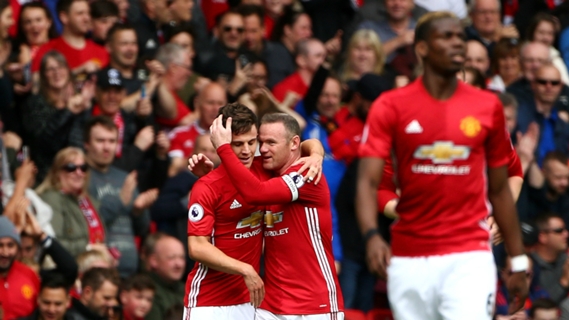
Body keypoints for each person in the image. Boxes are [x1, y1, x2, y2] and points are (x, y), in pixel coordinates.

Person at [356, 11, 527, 319]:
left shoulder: (487, 107)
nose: (457, 44)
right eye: (446, 37)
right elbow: (368, 184)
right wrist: (372, 236)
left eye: (460, 37)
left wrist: (518, 260)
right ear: (421, 48)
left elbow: (502, 187)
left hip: (469, 254)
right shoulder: (391, 106)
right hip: (410, 255)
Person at [209, 110, 344, 319]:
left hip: (314, 306)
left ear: (293, 144)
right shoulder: (267, 174)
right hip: (272, 305)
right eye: (260, 142)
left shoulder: (306, 173)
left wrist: (223, 148)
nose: (262, 149)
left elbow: (255, 193)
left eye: (271, 143)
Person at [36, 147, 106, 259]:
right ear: (57, 172)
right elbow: (53, 243)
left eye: (83, 168)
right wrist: (88, 248)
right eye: (71, 168)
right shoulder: (51, 200)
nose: (79, 173)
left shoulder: (88, 201)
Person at [0, 216, 41, 319]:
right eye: (0, 245)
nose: (5, 252)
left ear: (17, 248)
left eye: (10, 245)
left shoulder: (29, 275)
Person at [144, 234, 185, 319]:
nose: (179, 264)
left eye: (182, 258)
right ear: (154, 260)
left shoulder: (188, 289)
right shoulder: (146, 290)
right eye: (171, 258)